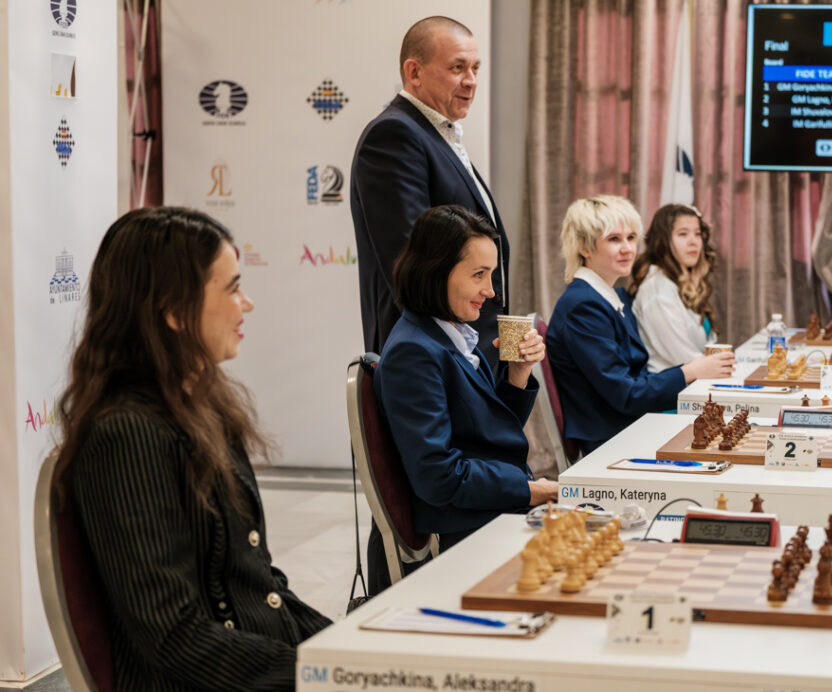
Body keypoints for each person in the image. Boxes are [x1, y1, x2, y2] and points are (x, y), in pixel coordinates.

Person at [54, 208, 330, 691]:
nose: (247, 303)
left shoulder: (204, 408)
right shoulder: (126, 436)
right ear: (174, 310)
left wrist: (351, 654)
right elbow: (172, 636)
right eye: (231, 288)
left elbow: (259, 587)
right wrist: (320, 674)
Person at [374, 205, 558, 581]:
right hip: (469, 528)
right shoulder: (415, 352)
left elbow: (488, 435)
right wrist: (529, 491)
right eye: (479, 275)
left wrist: (518, 373)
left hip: (489, 507)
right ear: (436, 271)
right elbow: (439, 476)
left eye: (491, 275)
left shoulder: (449, 334)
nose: (490, 292)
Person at [350, 15, 507, 368]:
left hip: (471, 355)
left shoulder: (437, 134)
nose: (471, 81)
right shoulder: (394, 136)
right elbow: (412, 264)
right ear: (414, 72)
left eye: (476, 68)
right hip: (433, 362)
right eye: (457, 67)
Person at [546, 195, 692, 455]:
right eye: (614, 239)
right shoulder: (583, 306)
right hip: (612, 439)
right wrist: (689, 372)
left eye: (631, 238)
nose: (627, 248)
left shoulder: (609, 297)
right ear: (584, 247)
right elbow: (626, 395)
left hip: (628, 426)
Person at [630, 203, 735, 376]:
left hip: (695, 385)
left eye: (698, 234)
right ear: (663, 241)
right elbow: (685, 359)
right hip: (674, 395)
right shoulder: (657, 292)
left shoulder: (681, 283)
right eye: (683, 234)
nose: (693, 241)